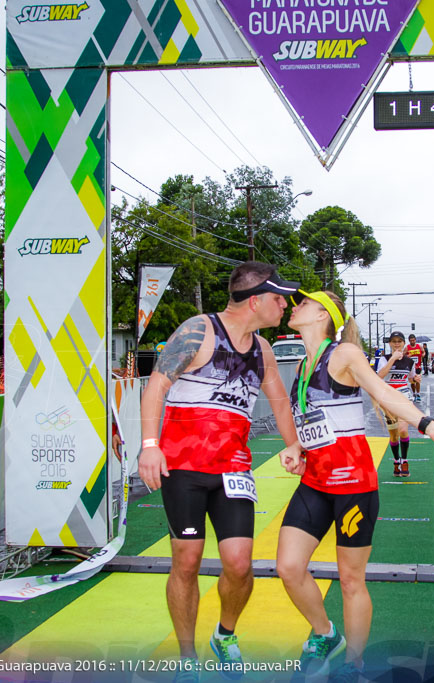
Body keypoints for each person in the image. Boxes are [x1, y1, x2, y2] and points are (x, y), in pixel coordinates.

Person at [275, 290, 434, 682]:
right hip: (315, 481)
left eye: (303, 303)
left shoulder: (345, 354)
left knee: (351, 580)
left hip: (352, 484)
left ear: (322, 316)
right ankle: (324, 633)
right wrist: (296, 446)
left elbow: (382, 391)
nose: (294, 307)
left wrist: (426, 424)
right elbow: (318, 419)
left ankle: (354, 664)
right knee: (288, 566)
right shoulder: (302, 362)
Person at [138, 261, 302, 680]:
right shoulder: (198, 330)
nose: (284, 305)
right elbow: (156, 384)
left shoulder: (263, 349)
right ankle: (187, 657)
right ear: (257, 299)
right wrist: (149, 446)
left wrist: (292, 445)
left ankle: (224, 634)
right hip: (185, 468)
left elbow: (280, 401)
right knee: (187, 561)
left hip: (232, 468)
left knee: (239, 564)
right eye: (279, 297)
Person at [372, 331, 418, 477]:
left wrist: (416, 378)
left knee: (403, 429)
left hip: (404, 396)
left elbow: (410, 378)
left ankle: (404, 460)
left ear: (404, 343)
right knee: (393, 434)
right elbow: (379, 376)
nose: (397, 344)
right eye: (394, 341)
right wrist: (392, 359)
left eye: (399, 341)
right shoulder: (384, 359)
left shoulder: (410, 362)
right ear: (390, 344)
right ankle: (396, 461)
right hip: (388, 398)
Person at [405, 334, 424, 399]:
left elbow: (424, 352)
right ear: (409, 341)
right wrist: (407, 356)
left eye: (413, 340)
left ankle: (418, 393)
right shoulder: (407, 347)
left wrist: (423, 355)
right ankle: (414, 393)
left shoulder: (419, 346)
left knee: (418, 380)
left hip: (418, 366)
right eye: (411, 341)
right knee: (412, 381)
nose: (412, 342)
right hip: (411, 367)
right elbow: (403, 355)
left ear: (415, 340)